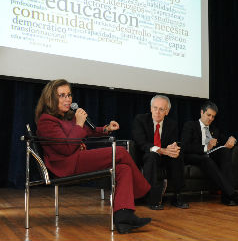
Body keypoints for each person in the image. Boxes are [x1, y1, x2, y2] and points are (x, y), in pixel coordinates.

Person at [35, 79, 151, 234]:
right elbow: (67, 147)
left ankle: (123, 216)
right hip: (65, 165)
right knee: (121, 152)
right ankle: (147, 193)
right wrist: (79, 124)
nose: (68, 99)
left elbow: (87, 131)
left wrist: (106, 128)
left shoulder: (66, 116)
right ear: (51, 98)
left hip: (76, 160)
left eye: (69, 95)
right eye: (62, 95)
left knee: (123, 169)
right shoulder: (46, 120)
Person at [181, 101, 238, 206]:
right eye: (208, 115)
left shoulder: (214, 130)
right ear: (202, 112)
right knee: (206, 159)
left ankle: (226, 198)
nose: (210, 119)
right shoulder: (190, 125)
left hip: (208, 156)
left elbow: (225, 140)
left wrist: (232, 139)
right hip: (193, 156)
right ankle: (233, 195)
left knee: (225, 151)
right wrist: (206, 147)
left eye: (213, 116)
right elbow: (185, 146)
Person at [132, 95, 189, 210]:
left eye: (161, 109)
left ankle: (177, 196)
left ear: (167, 112)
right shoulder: (140, 119)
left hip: (164, 156)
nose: (157, 112)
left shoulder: (172, 124)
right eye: (155, 108)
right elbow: (141, 142)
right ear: (151, 108)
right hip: (146, 155)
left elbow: (172, 142)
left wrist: (173, 148)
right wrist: (161, 150)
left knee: (177, 155)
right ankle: (152, 199)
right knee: (152, 155)